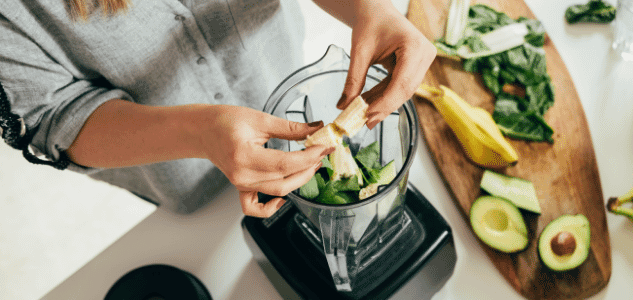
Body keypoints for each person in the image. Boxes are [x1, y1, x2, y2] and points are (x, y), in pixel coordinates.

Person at [0, 0, 436, 218]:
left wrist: (367, 7)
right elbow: (53, 114)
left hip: (274, 70)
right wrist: (200, 133)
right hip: (177, 168)